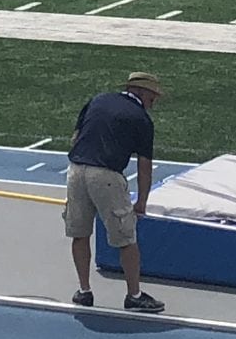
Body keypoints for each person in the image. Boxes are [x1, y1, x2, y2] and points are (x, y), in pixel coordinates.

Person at [66, 72, 166, 314]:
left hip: (76, 170)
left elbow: (75, 137)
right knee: (126, 238)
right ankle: (134, 295)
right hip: (106, 176)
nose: (154, 101)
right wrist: (141, 201)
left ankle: (84, 291)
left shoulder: (98, 99)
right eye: (153, 96)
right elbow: (144, 166)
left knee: (79, 233)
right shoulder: (141, 118)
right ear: (142, 92)